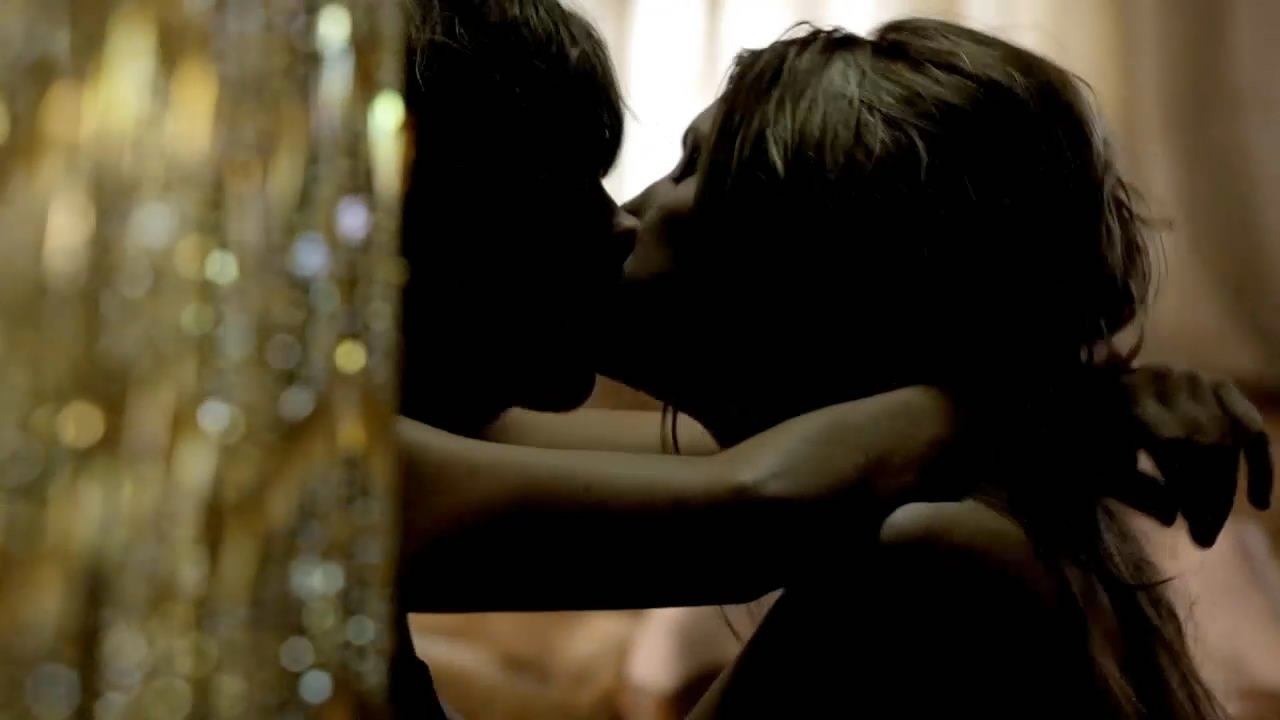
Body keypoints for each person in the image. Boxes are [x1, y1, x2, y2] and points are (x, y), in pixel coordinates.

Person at [383, 2, 1272, 716]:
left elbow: (765, 480)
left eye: (686, 170)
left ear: (808, 271)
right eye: (543, 188)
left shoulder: (934, 545)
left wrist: (1052, 399)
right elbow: (752, 501)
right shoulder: (348, 451)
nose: (620, 216)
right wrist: (1045, 395)